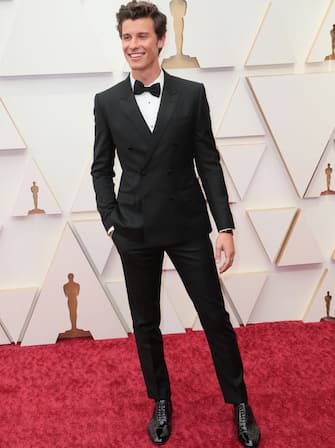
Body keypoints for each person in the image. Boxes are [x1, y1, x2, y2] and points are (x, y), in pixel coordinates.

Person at [91, 2, 260, 446]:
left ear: (160, 40)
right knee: (146, 322)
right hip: (135, 229)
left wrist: (224, 226)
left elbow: (208, 162)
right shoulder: (107, 102)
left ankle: (240, 402)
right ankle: (160, 399)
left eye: (142, 36)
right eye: (127, 37)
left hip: (186, 224)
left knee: (214, 317)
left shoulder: (191, 95)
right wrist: (112, 222)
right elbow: (100, 168)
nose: (134, 45)